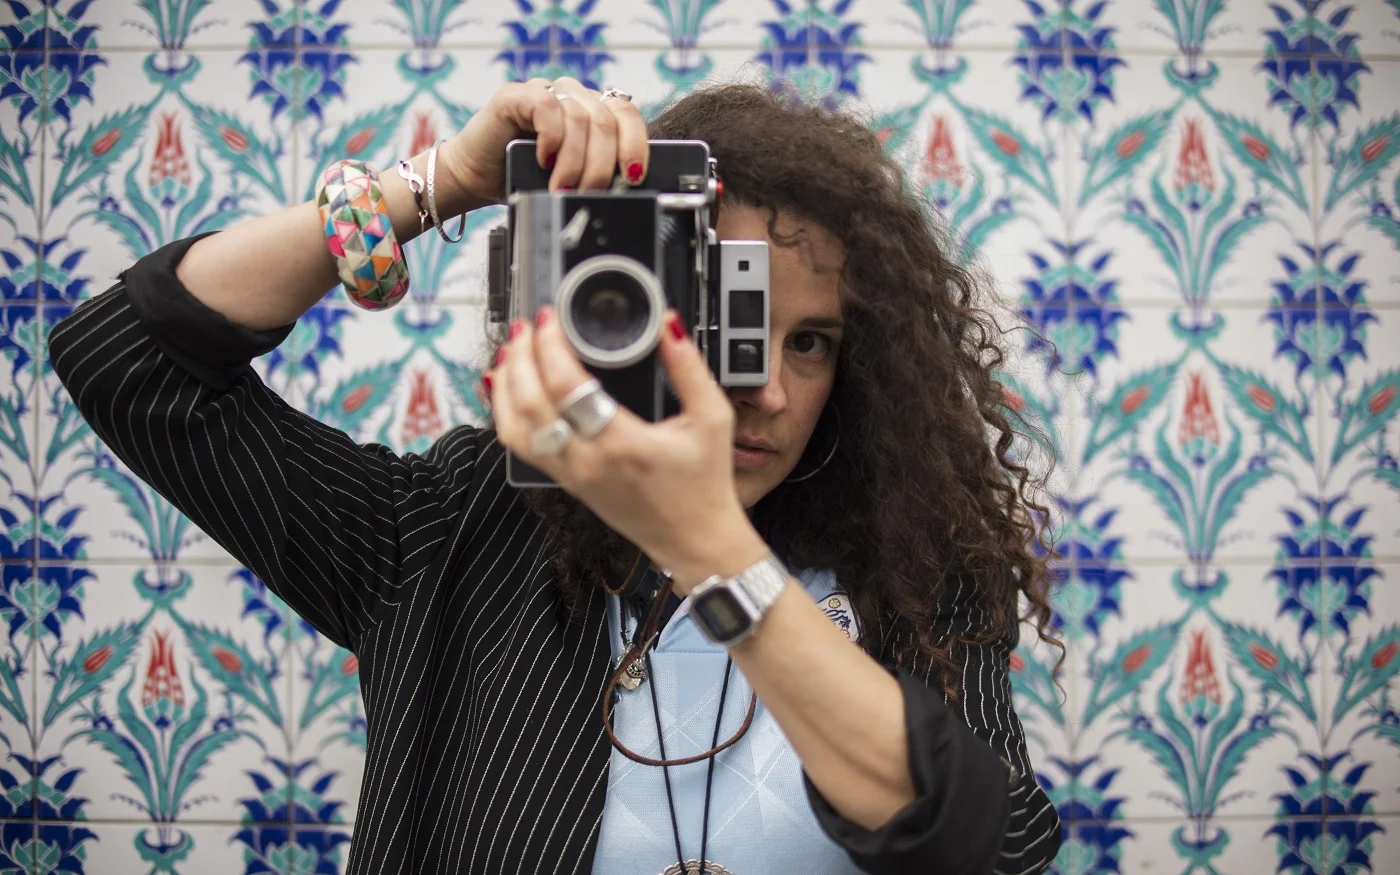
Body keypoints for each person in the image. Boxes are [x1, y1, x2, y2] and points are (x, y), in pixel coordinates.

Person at [49, 76, 1063, 875]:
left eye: (810, 342)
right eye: (731, 320)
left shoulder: (916, 575)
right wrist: (446, 181)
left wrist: (712, 549)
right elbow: (127, 359)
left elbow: (1001, 849)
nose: (764, 388)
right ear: (627, 307)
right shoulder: (456, 532)